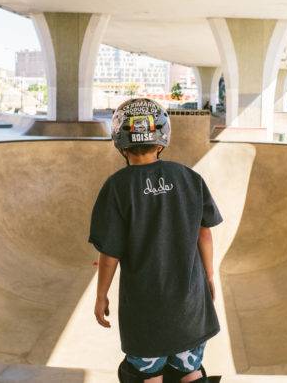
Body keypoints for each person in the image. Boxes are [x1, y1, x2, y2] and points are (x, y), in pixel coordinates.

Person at [88, 98, 222, 383]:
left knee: (145, 375)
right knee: (190, 371)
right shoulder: (189, 177)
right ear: (161, 142)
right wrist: (209, 276)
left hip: (146, 315)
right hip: (191, 308)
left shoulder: (117, 187)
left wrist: (101, 295)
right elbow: (205, 233)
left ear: (121, 144)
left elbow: (110, 253)